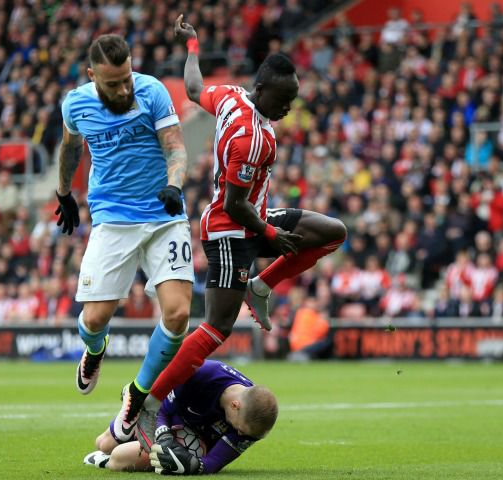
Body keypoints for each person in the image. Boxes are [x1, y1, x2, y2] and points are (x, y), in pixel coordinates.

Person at [133, 16, 347, 450]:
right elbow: (233, 204)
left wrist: (192, 46)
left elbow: (194, 89)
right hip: (231, 230)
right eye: (284, 101)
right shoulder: (253, 139)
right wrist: (270, 232)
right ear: (264, 90)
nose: (288, 110)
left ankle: (262, 287)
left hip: (254, 212)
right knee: (216, 328)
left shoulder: (230, 96)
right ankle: (151, 403)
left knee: (332, 232)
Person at [54, 34, 194, 442]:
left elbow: (176, 148)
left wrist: (175, 184)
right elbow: (70, 149)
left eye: (127, 77)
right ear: (92, 75)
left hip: (163, 215)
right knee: (94, 319)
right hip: (113, 219)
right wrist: (64, 193)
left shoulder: (151, 91)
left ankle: (137, 393)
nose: (124, 88)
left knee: (178, 314)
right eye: (113, 83)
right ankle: (96, 349)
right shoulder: (75, 104)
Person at [83, 360, 277, 475]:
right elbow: (161, 409)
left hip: (193, 441)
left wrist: (193, 465)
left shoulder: (254, 423)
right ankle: (114, 444)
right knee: (104, 443)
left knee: (119, 458)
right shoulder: (201, 375)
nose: (240, 434)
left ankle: (106, 460)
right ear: (235, 406)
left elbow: (215, 461)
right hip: (161, 413)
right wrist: (164, 435)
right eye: (240, 429)